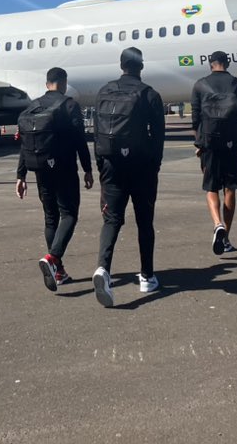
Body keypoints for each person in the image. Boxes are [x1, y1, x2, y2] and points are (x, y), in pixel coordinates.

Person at [91, 47, 165, 307]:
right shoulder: (149, 95)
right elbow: (157, 137)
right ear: (140, 66)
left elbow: (97, 132)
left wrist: (102, 165)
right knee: (145, 222)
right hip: (142, 166)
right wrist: (154, 167)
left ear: (121, 65)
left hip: (111, 165)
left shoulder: (104, 92)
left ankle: (103, 269)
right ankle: (147, 276)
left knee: (111, 220)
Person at [15, 67, 94, 292]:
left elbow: (25, 143)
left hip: (39, 170)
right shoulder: (69, 105)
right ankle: (53, 258)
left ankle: (58, 272)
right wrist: (87, 169)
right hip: (65, 169)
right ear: (63, 82)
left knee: (51, 218)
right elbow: (80, 140)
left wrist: (20, 175)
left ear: (47, 82)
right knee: (69, 214)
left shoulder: (33, 106)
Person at [190, 50, 237, 255]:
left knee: (211, 187)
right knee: (230, 188)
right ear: (227, 64)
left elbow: (195, 119)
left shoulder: (200, 85)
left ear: (211, 64)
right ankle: (226, 237)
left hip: (209, 142)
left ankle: (217, 223)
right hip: (231, 142)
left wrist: (199, 142)